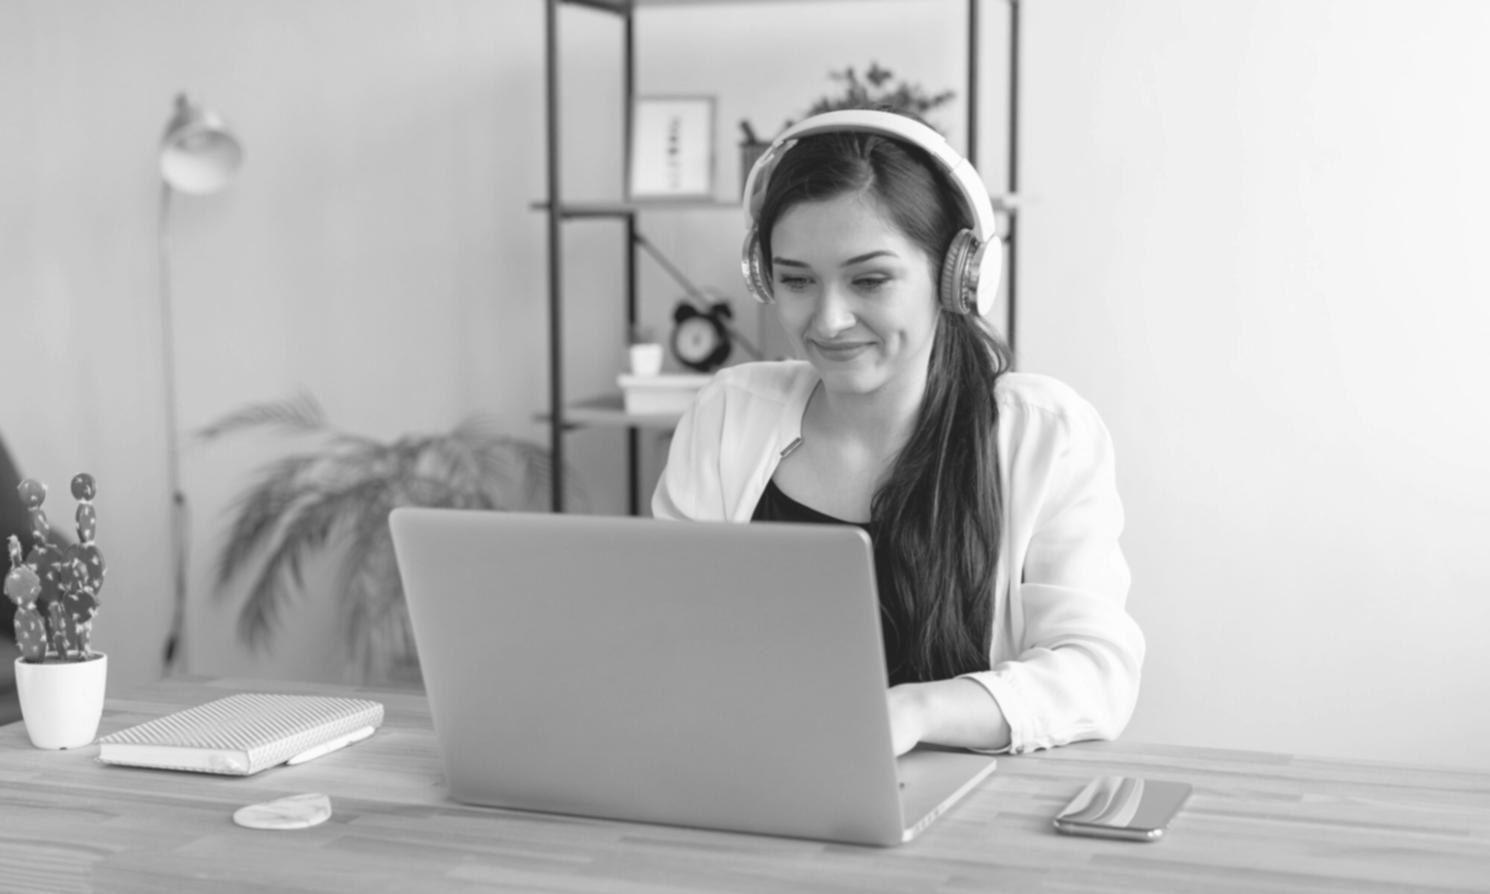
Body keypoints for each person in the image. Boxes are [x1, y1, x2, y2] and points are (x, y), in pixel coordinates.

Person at [651, 109, 1144, 756]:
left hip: (969, 820)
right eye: (796, 280)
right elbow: (665, 637)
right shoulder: (727, 415)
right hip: (757, 786)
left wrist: (914, 711)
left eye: (870, 279)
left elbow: (1095, 674)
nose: (827, 320)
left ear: (957, 276)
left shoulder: (1046, 436)